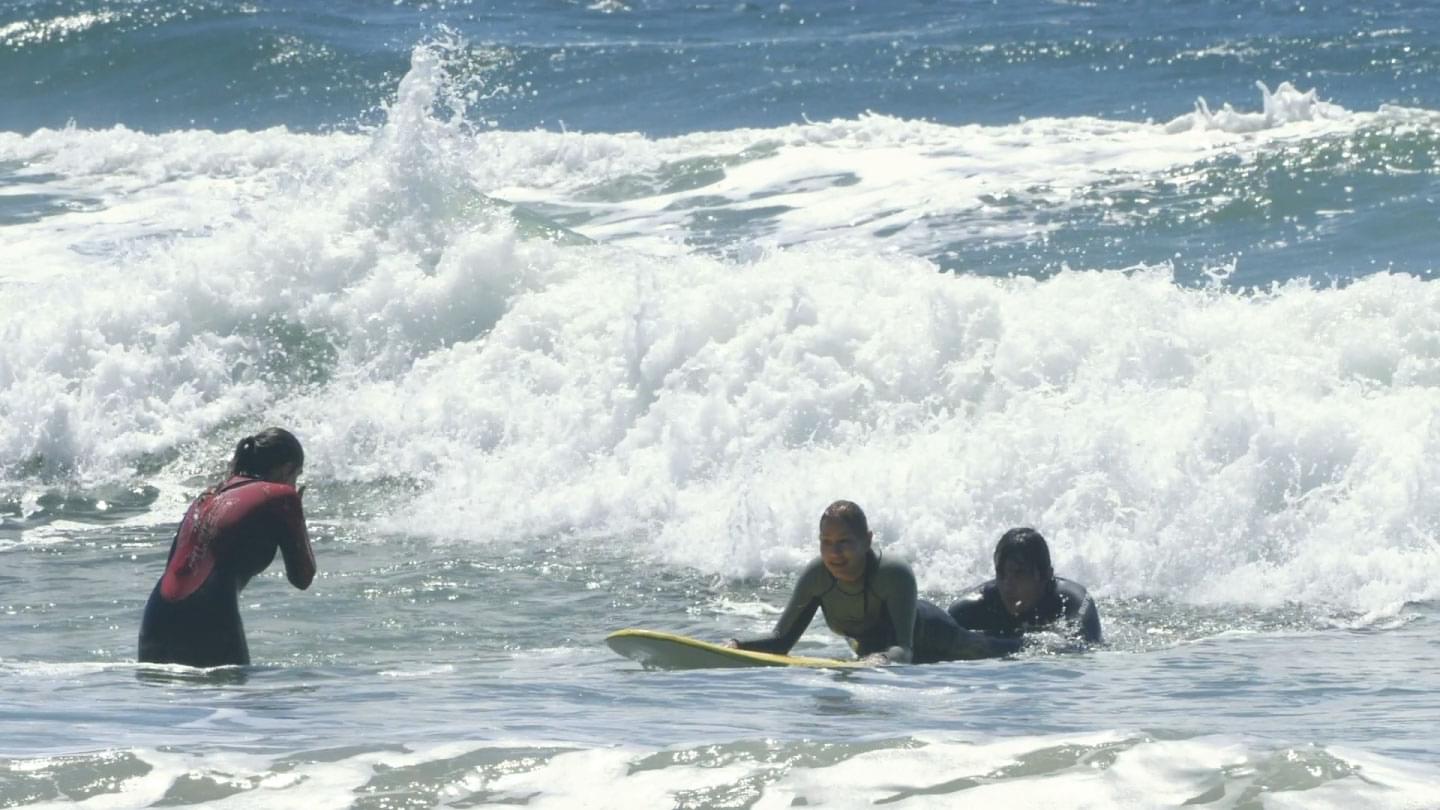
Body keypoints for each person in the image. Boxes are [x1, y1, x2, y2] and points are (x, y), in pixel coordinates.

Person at [727, 500, 994, 664]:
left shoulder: (893, 573)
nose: (834, 553)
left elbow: (904, 650)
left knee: (1001, 649)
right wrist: (737, 646)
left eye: (844, 542)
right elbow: (780, 642)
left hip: (941, 639)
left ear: (867, 540)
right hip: (875, 654)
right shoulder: (816, 576)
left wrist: (880, 660)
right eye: (826, 542)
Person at [138, 428, 316, 667]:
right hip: (210, 617)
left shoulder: (207, 497)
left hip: (156, 620)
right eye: (297, 475)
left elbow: (179, 564)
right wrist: (296, 512)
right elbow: (302, 577)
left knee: (167, 704)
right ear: (287, 469)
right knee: (237, 703)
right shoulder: (281, 495)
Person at [947, 527, 1102, 650]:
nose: (1007, 585)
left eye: (1018, 574)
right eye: (1001, 574)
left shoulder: (1075, 602)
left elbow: (1083, 649)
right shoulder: (971, 608)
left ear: (1046, 575)